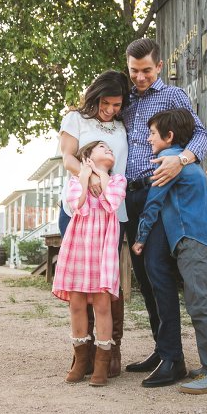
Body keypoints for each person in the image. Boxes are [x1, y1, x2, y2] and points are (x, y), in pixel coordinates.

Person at [121, 38, 207, 387]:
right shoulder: (126, 101)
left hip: (158, 192)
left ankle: (174, 359)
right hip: (130, 198)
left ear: (158, 66)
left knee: (158, 268)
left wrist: (180, 159)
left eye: (146, 70)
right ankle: (162, 348)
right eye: (134, 71)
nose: (140, 77)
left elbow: (201, 136)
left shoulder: (173, 96)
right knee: (143, 277)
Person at [132, 108, 207, 392]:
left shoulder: (168, 163)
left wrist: (140, 238)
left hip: (192, 242)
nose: (149, 139)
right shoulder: (190, 163)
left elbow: (153, 203)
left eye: (152, 134)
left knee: (200, 305)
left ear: (169, 136)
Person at [58, 70, 130, 377]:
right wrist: (90, 181)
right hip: (80, 206)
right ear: (96, 95)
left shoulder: (121, 126)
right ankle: (82, 355)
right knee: (79, 280)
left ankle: (109, 351)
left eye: (117, 104)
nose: (112, 109)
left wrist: (107, 185)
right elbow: (67, 157)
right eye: (107, 102)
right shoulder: (75, 119)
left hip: (113, 211)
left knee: (105, 282)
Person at [52, 141, 126, 387]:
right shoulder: (75, 180)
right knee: (77, 303)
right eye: (103, 147)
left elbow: (112, 203)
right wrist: (84, 176)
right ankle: (81, 359)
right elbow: (76, 205)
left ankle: (102, 363)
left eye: (111, 149)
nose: (109, 150)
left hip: (102, 249)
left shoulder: (117, 181)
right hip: (79, 247)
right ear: (87, 155)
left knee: (103, 304)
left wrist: (101, 174)